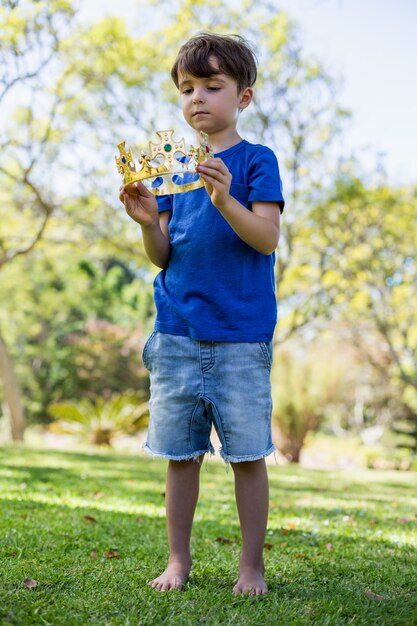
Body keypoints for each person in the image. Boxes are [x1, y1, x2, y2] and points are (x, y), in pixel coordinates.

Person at [119, 32, 285, 595]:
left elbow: (265, 238)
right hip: (176, 334)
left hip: (240, 337)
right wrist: (147, 223)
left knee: (246, 456)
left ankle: (251, 568)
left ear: (243, 98)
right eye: (187, 88)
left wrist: (223, 199)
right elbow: (164, 253)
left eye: (213, 86)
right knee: (181, 455)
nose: (198, 98)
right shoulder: (170, 169)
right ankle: (178, 561)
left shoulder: (257, 161)